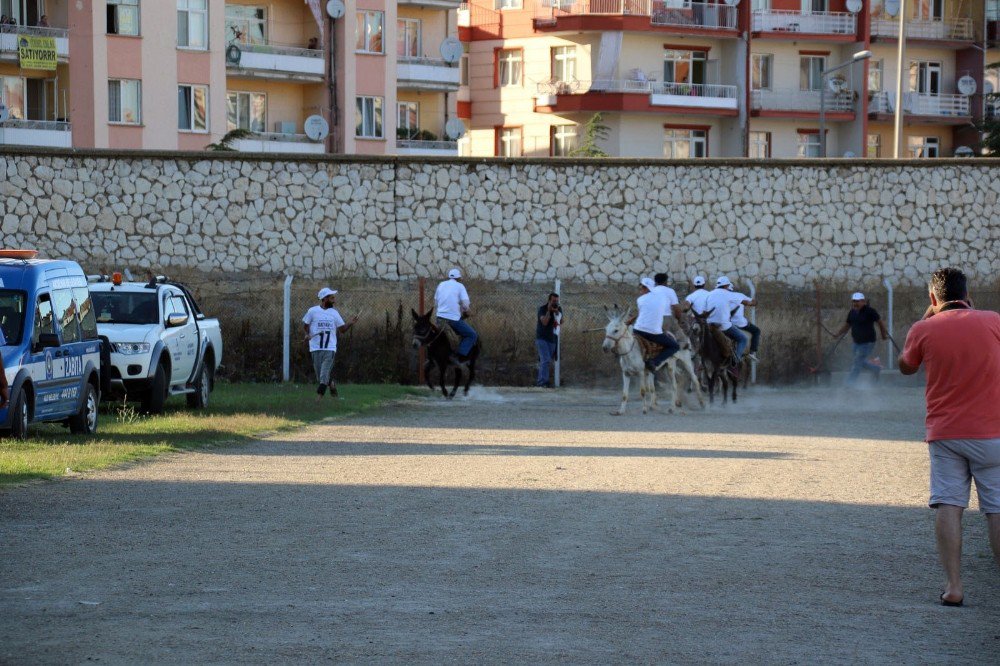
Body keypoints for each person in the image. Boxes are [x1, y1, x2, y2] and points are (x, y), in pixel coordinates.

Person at [897, 267, 1000, 607]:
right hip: (992, 431)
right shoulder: (993, 320)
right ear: (968, 295)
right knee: (996, 508)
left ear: (932, 298)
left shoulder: (923, 328)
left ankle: (954, 586)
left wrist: (926, 320)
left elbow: (906, 366)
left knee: (949, 505)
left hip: (946, 433)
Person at [303, 287, 357, 400]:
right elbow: (306, 326)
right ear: (324, 299)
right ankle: (331, 384)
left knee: (323, 376)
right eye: (331, 298)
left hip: (330, 349)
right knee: (320, 376)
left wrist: (350, 323)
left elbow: (342, 330)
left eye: (334, 297)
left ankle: (317, 401)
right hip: (315, 348)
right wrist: (307, 334)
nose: (334, 300)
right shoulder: (312, 311)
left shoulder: (334, 313)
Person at [831, 292, 887, 385]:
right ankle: (875, 369)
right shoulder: (852, 312)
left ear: (863, 301)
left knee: (857, 363)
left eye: (857, 301)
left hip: (868, 342)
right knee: (859, 361)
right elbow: (847, 325)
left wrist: (883, 335)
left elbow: (880, 323)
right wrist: (837, 334)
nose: (855, 303)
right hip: (856, 342)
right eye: (853, 301)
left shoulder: (870, 311)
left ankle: (849, 384)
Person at [628, 277, 680, 374]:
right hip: (654, 333)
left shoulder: (640, 299)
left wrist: (631, 320)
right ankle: (654, 362)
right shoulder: (662, 299)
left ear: (646, 288)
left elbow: (642, 313)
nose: (640, 289)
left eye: (642, 287)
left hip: (637, 330)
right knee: (675, 346)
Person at [435, 268, 477, 364]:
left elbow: (436, 302)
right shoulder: (460, 286)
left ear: (449, 276)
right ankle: (459, 357)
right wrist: (466, 311)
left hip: (439, 318)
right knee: (472, 335)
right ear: (459, 278)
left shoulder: (441, 284)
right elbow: (465, 304)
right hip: (453, 319)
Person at [705, 276, 747, 369]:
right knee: (743, 338)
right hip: (724, 326)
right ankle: (735, 360)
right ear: (727, 286)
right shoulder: (730, 295)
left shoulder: (709, 294)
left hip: (709, 325)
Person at [535, 292, 562, 387]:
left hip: (552, 339)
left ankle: (543, 381)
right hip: (542, 338)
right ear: (549, 301)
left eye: (557, 301)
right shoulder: (542, 309)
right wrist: (549, 311)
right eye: (554, 301)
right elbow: (545, 322)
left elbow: (561, 321)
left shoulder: (559, 309)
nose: (556, 303)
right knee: (545, 360)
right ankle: (542, 382)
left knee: (546, 361)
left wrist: (557, 313)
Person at [727, 285, 759, 362]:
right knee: (756, 331)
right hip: (740, 323)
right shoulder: (739, 295)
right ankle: (752, 352)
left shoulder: (721, 297)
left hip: (727, 324)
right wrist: (749, 303)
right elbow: (755, 302)